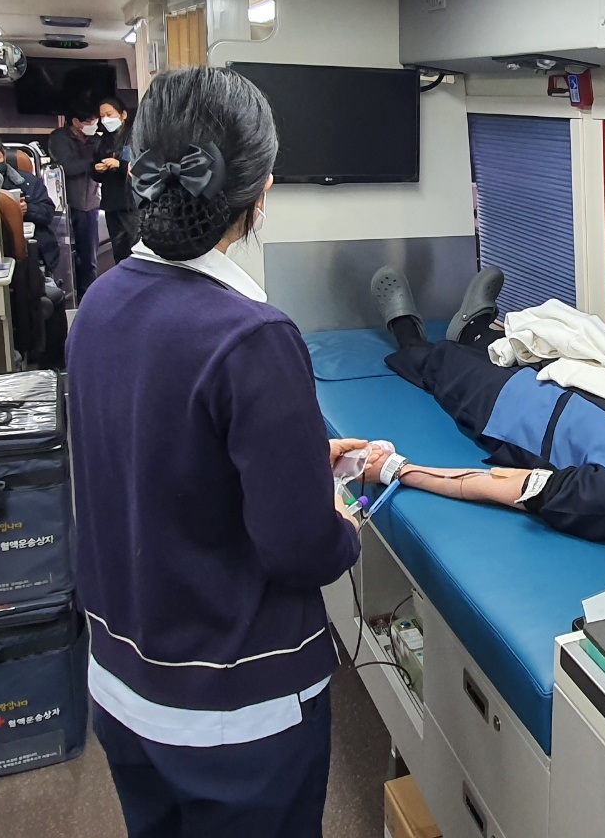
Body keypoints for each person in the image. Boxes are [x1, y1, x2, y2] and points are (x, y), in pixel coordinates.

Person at [67, 67, 378, 837]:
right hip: (236, 714)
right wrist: (342, 521)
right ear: (261, 190)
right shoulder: (252, 336)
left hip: (122, 687)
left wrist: (293, 459)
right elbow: (300, 549)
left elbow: (149, 455)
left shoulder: (99, 302)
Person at [368, 265, 605, 542]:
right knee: (512, 345)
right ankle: (474, 327)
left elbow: (505, 487)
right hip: (574, 373)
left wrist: (399, 470)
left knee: (445, 364)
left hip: (513, 408)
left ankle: (406, 333)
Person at [0, 133, 61, 277]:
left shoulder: (28, 182)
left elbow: (47, 213)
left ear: (4, 156)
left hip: (32, 246)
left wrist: (28, 209)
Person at [47, 109, 103, 297]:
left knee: (89, 258)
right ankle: (69, 296)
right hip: (65, 205)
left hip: (90, 203)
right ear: (76, 122)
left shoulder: (96, 139)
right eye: (89, 121)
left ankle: (89, 297)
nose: (94, 125)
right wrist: (93, 162)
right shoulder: (59, 138)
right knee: (66, 258)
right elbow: (67, 166)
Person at [95, 95, 139, 264]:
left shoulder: (135, 136)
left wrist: (119, 165)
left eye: (109, 114)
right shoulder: (104, 140)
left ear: (123, 114)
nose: (105, 119)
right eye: (102, 116)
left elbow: (140, 166)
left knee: (135, 247)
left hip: (131, 202)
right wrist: (98, 169)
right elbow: (93, 167)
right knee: (118, 250)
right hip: (111, 202)